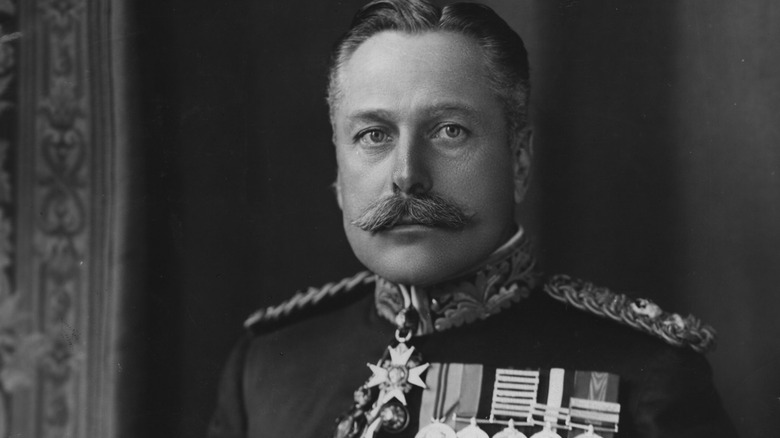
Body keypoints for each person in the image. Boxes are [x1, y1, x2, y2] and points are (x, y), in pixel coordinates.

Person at [207, 1, 737, 437]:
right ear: (339, 173)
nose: (407, 176)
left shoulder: (644, 375)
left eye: (449, 131)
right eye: (374, 135)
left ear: (520, 161)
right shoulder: (268, 369)